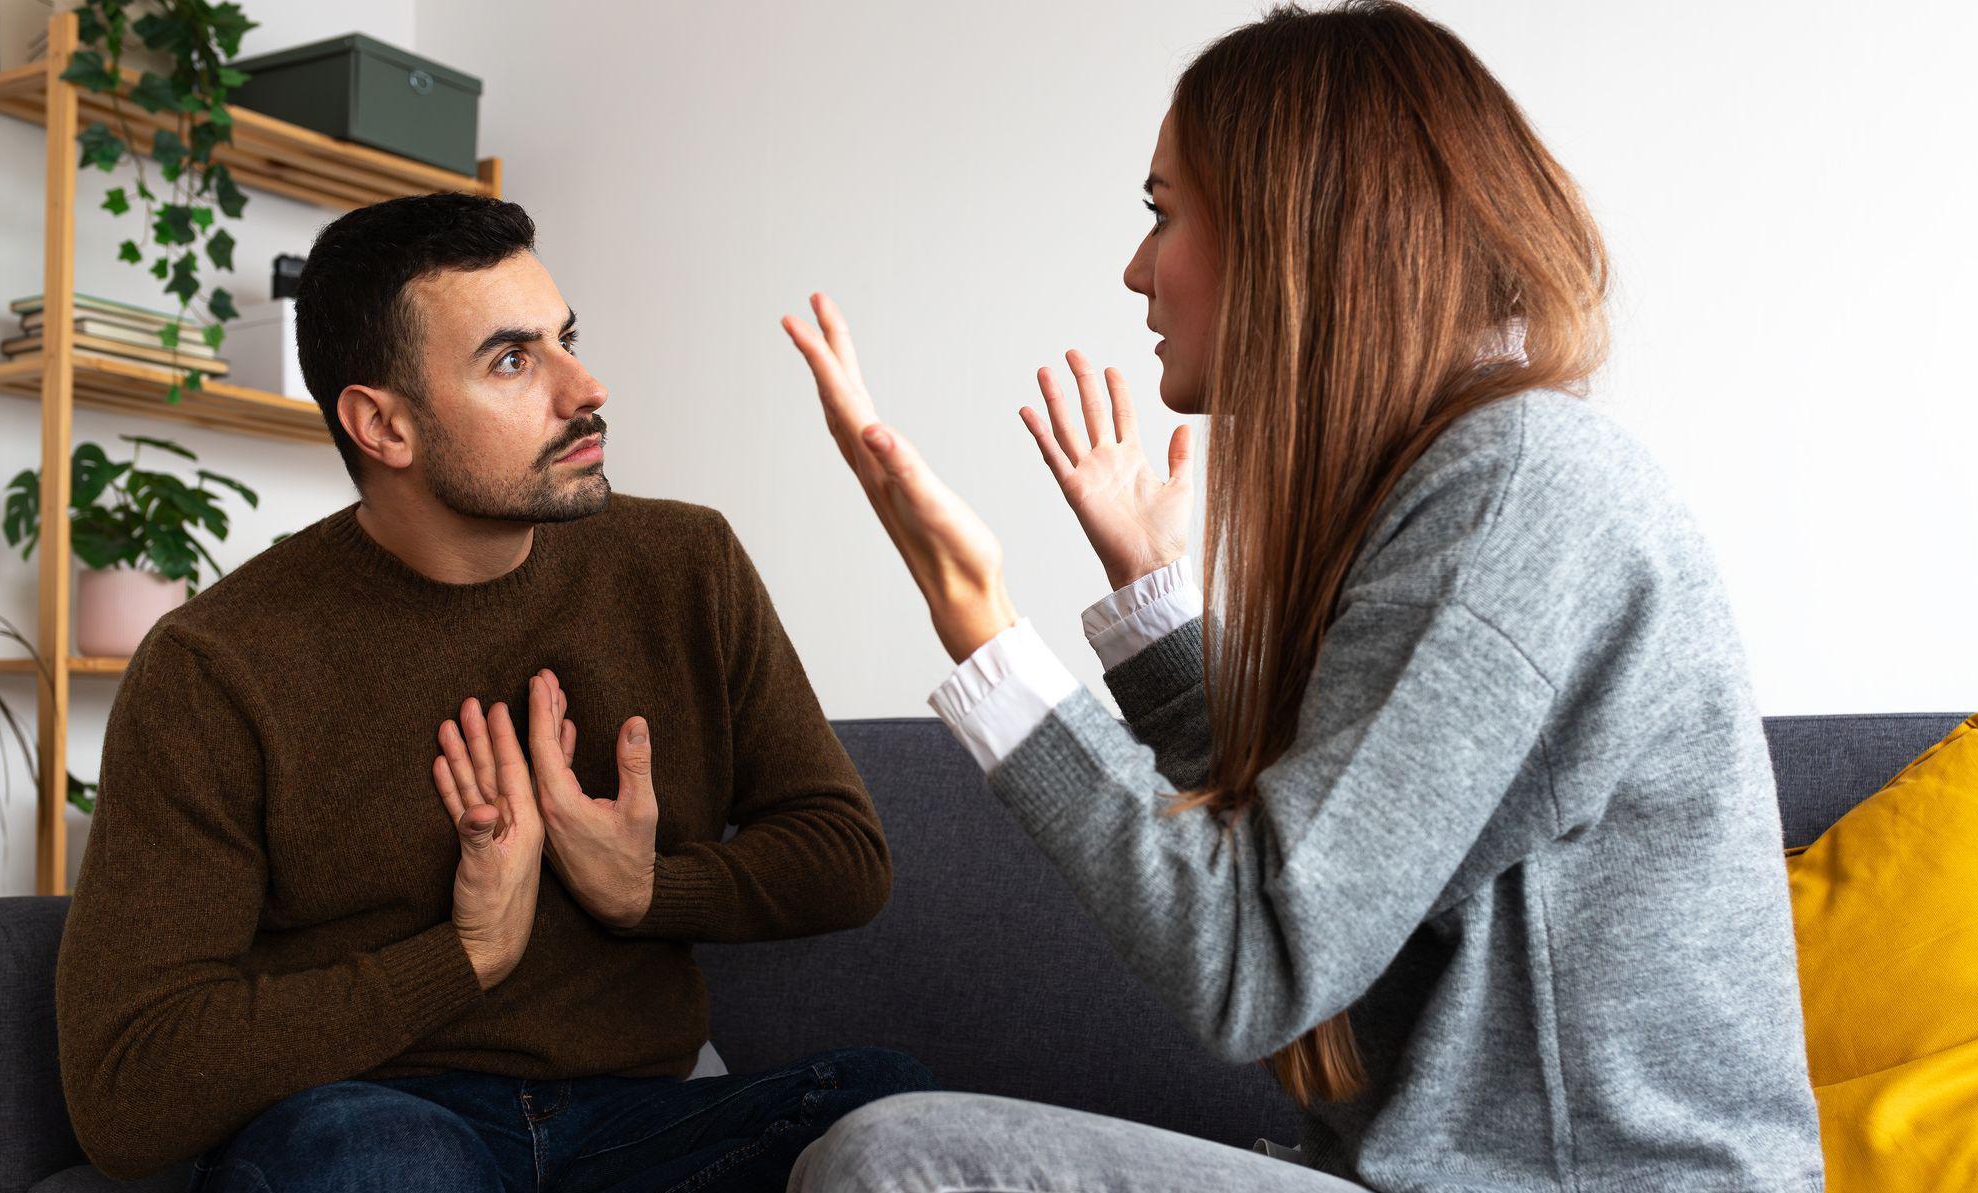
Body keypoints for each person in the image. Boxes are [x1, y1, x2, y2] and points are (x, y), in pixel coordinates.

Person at [779, 3, 1822, 1190]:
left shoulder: (1516, 496)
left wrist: (978, 625)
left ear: (1297, 231)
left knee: (896, 1159)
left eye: (1160, 212)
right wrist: (1152, 605)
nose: (1136, 269)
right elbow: (1339, 840)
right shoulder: (1476, 477)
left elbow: (1257, 949)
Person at [54, 193, 935, 1193]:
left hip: (652, 1115)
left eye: (565, 339)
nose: (586, 387)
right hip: (385, 1114)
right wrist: (464, 955)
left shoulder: (687, 562)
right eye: (514, 360)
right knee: (370, 1162)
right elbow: (125, 1085)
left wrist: (648, 887)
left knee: (895, 1110)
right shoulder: (217, 663)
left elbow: (845, 856)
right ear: (382, 423)